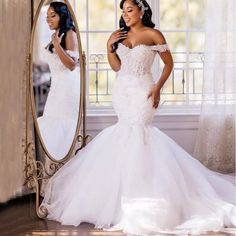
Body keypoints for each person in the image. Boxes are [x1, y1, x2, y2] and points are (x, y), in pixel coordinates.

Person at [40, 0, 236, 235]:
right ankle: (121, 198)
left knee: (140, 133)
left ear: (142, 11)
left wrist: (158, 88)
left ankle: (147, 195)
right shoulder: (119, 35)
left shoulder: (153, 34)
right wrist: (109, 46)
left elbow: (168, 64)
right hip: (122, 91)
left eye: (130, 10)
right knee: (123, 132)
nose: (126, 14)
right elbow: (116, 68)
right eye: (123, 11)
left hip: (144, 90)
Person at [37, 2, 80, 160]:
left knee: (62, 125)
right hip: (57, 87)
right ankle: (54, 167)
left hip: (68, 88)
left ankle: (64, 167)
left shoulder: (69, 33)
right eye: (47, 16)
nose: (49, 19)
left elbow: (71, 65)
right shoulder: (57, 34)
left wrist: (57, 45)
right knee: (52, 124)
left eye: (53, 15)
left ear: (63, 16)